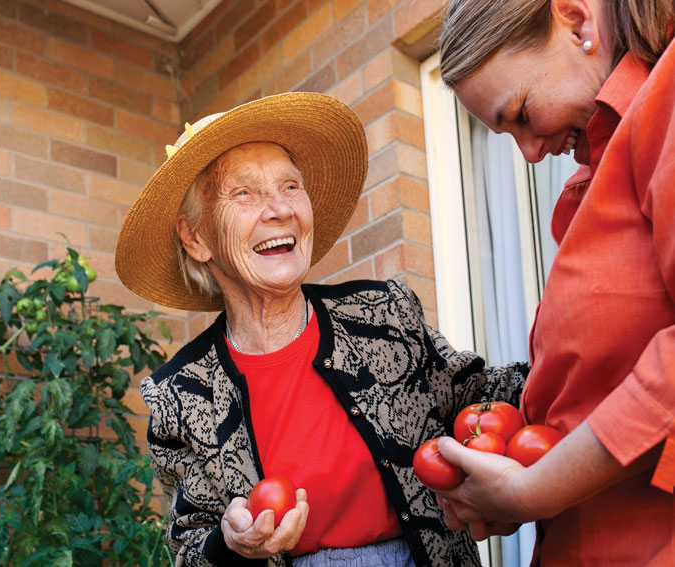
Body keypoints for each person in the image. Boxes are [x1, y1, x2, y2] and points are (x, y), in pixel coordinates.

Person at [115, 91, 529, 567]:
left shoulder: (381, 314)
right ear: (196, 237)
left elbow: (480, 399)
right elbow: (189, 548)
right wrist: (228, 543)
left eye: (291, 186)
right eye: (245, 193)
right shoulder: (182, 394)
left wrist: (574, 361)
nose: (280, 209)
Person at [434, 0, 675, 564]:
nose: (530, 153)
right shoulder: (600, 173)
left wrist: (533, 491)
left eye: (519, 113)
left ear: (576, 21)